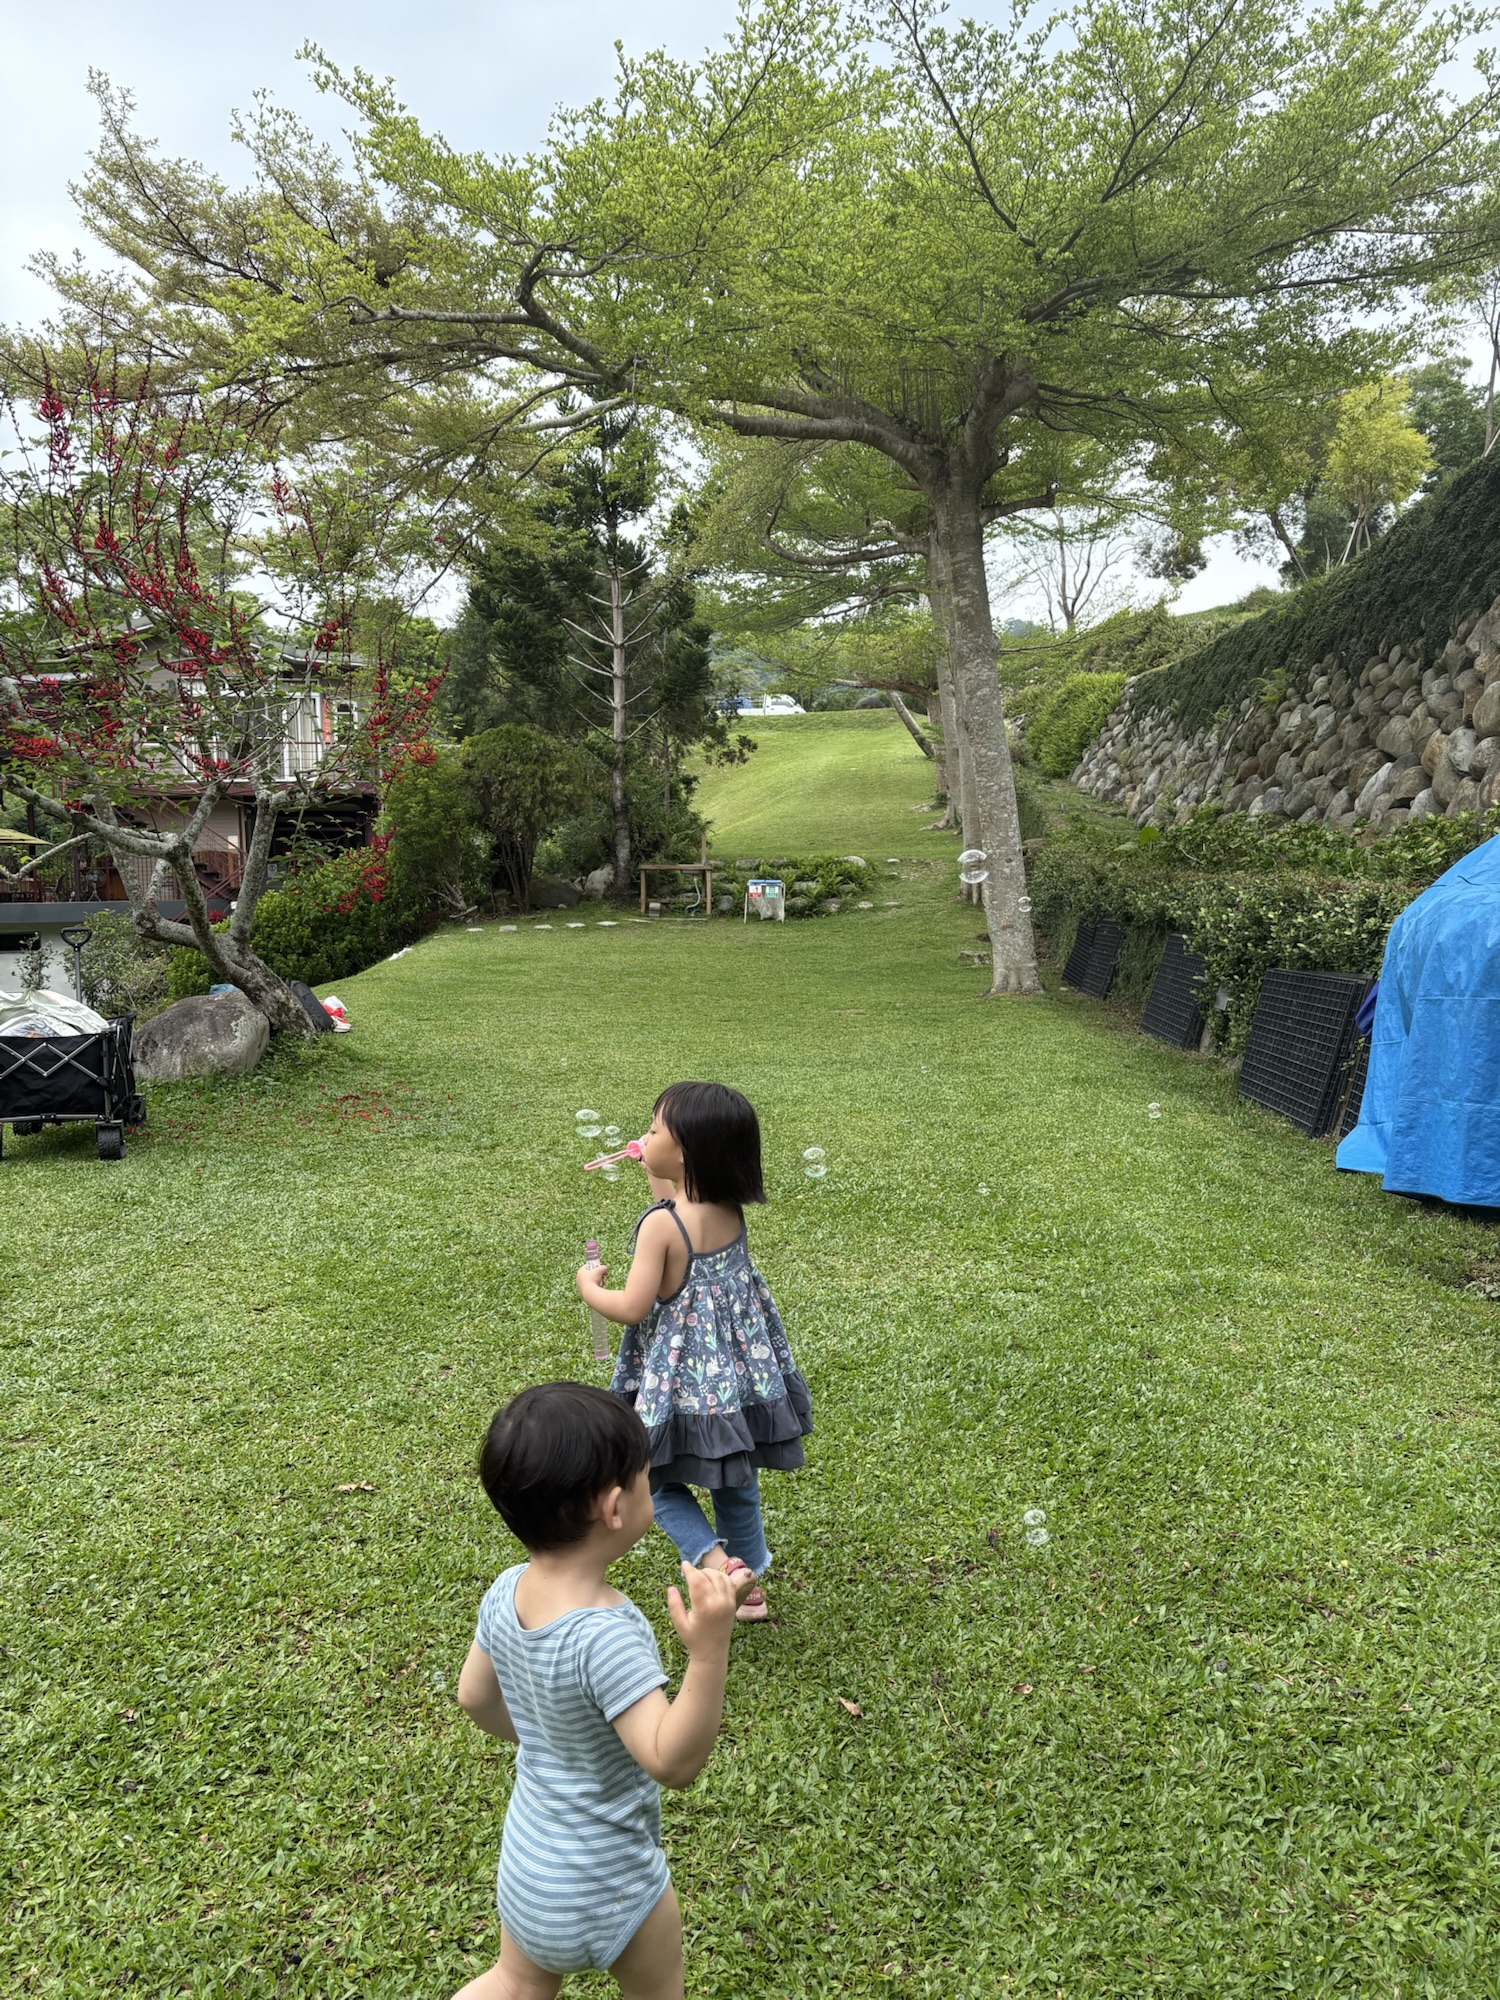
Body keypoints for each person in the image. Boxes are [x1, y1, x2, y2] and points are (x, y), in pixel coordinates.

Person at [452, 1381, 745, 2000]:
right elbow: (672, 1760)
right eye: (646, 1478)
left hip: (529, 1870)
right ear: (616, 1508)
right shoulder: (608, 1631)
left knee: (514, 1982)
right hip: (612, 1884)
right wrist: (709, 1647)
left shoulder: (505, 1592)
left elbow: (474, 1697)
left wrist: (550, 1738)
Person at [576, 1080, 813, 1623]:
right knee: (736, 1476)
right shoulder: (727, 1207)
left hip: (678, 1382)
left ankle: (713, 1559)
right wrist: (654, 1165)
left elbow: (634, 1306)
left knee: (648, 1477)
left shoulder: (661, 1225)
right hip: (732, 1381)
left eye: (654, 1128)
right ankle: (748, 1577)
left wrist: (589, 1286)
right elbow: (678, 1198)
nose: (643, 1135)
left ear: (686, 1153)